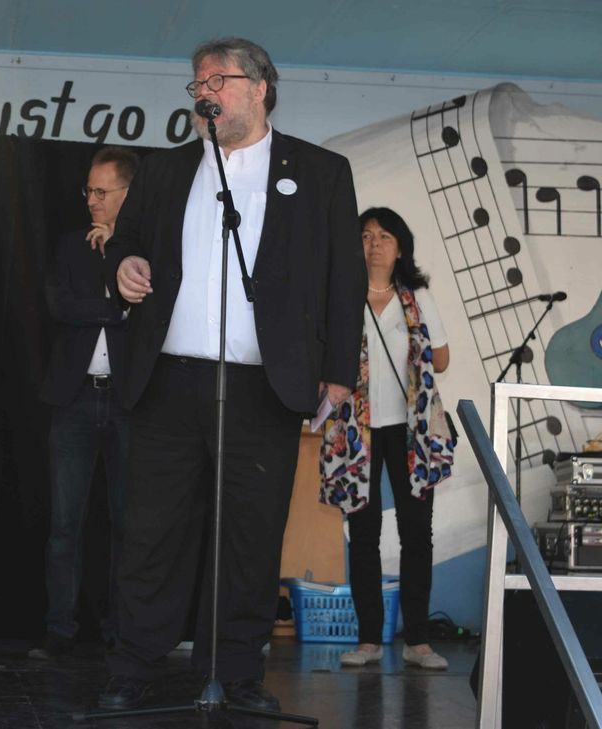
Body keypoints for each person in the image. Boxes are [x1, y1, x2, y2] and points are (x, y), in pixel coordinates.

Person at [98, 37, 365, 712]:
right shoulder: (164, 171)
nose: (205, 92)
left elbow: (344, 278)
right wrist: (124, 268)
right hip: (169, 379)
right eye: (198, 84)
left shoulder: (321, 171)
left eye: (219, 79)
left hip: (261, 384)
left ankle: (238, 672)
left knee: (249, 535)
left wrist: (337, 373)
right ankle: (136, 665)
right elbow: (126, 245)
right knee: (153, 532)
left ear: (260, 88)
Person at [319, 207, 455, 671]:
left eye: (384, 236)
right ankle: (369, 640)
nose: (374, 243)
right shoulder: (342, 295)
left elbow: (441, 361)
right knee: (363, 534)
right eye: (366, 235)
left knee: (417, 534)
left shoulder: (417, 296)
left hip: (411, 432)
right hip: (355, 431)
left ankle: (418, 641)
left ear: (401, 247)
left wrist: (419, 340)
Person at [30, 146, 139, 660]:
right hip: (73, 400)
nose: (92, 201)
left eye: (101, 192)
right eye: (88, 192)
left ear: (126, 195)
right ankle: (60, 631)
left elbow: (150, 311)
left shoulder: (145, 249)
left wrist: (117, 252)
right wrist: (116, 306)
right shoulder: (71, 245)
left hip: (128, 402)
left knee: (127, 524)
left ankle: (122, 631)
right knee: (63, 525)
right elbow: (61, 306)